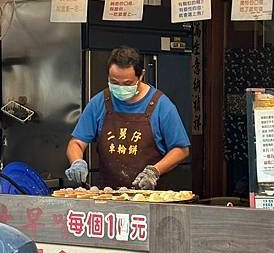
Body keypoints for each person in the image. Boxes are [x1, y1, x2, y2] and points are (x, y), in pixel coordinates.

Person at [65, 46, 190, 190]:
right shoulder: (100, 102)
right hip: (109, 196)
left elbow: (181, 150)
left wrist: (154, 171)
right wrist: (77, 162)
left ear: (141, 75)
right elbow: (76, 143)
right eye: (114, 82)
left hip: (152, 198)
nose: (120, 88)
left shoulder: (161, 105)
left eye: (127, 84)